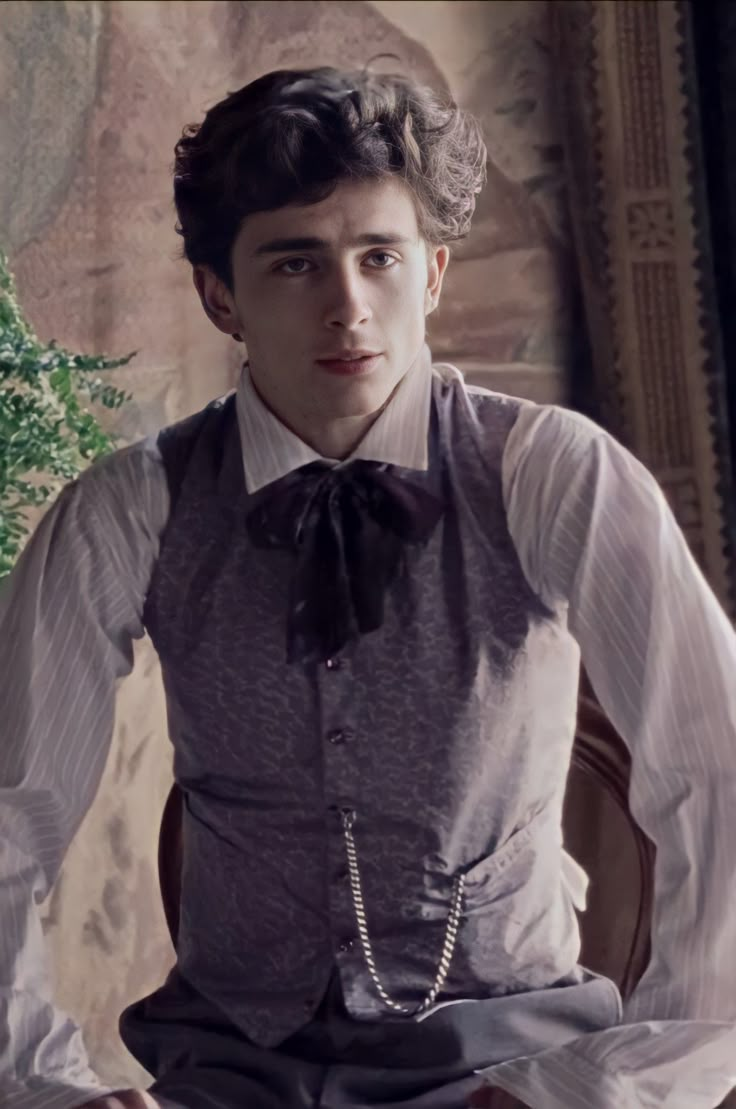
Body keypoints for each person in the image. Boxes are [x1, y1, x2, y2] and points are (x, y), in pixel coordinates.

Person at [1, 64, 735, 1109]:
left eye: (378, 256)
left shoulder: (551, 471)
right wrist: (44, 1087)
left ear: (431, 273)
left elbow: (719, 773)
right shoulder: (131, 508)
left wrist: (606, 1084)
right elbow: (8, 811)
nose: (348, 306)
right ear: (222, 295)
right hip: (228, 1072)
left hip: (511, 1066)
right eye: (296, 264)